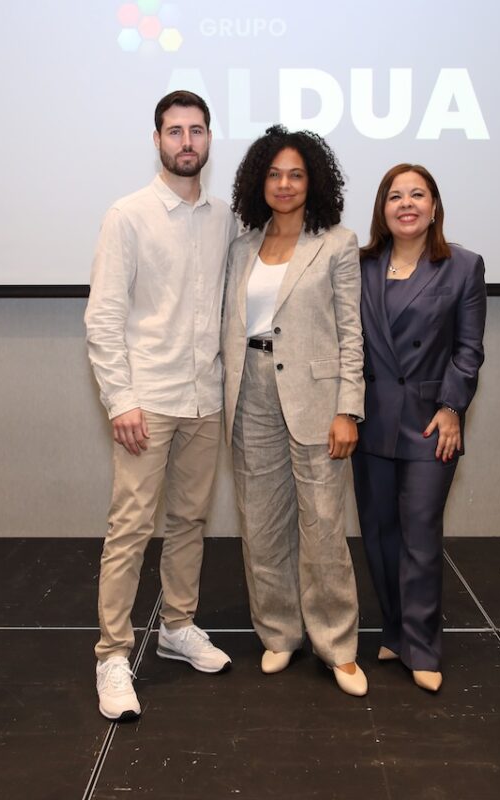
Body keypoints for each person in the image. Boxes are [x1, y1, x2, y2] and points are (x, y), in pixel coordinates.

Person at [84, 90, 237, 721]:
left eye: (196, 131)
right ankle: (113, 655)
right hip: (146, 401)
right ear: (157, 140)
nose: (186, 142)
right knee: (130, 529)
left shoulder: (225, 218)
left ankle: (177, 626)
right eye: (175, 131)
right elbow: (103, 316)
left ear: (209, 139)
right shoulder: (128, 215)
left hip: (206, 398)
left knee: (190, 522)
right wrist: (120, 399)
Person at [221, 125, 367, 696]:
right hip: (249, 392)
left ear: (314, 182)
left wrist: (348, 409)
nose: (284, 184)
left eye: (296, 175)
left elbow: (351, 333)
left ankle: (337, 647)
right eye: (275, 174)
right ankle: (279, 634)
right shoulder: (241, 247)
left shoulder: (337, 243)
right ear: (259, 181)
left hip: (316, 397)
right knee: (261, 525)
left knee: (324, 526)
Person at [351, 164, 487, 693]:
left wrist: (453, 407)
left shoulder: (463, 266)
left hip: (432, 422)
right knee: (380, 535)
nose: (406, 204)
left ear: (434, 207)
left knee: (421, 535)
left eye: (417, 194)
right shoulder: (360, 266)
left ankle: (423, 646)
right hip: (370, 420)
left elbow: (468, 349)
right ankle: (395, 632)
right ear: (382, 209)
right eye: (395, 196)